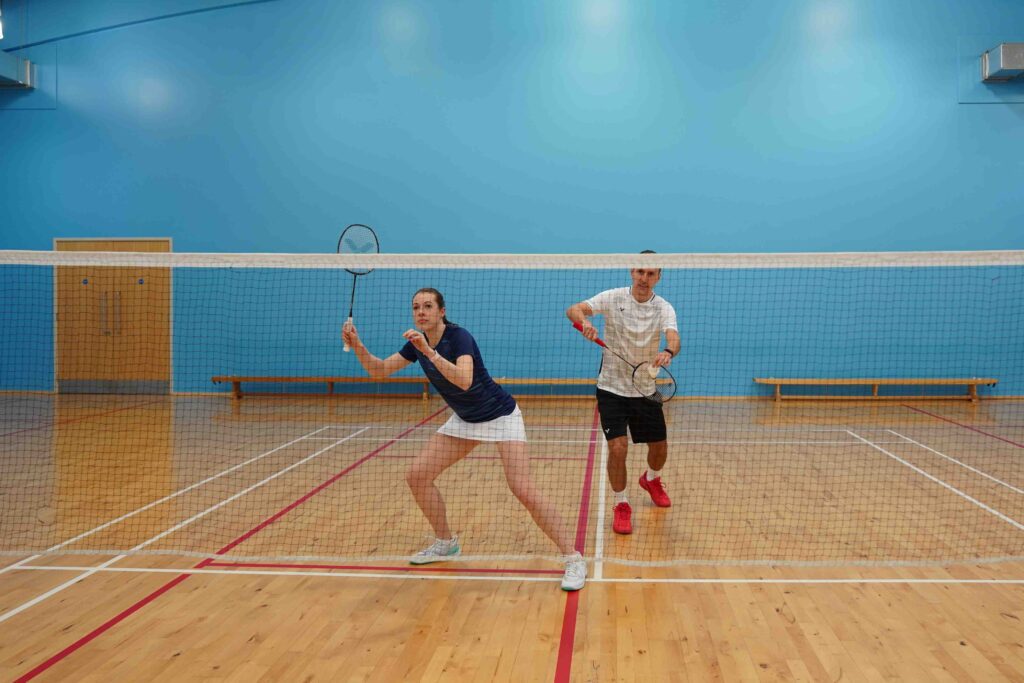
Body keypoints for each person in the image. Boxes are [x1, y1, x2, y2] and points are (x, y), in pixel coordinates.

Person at [343, 287, 586, 591]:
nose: (421, 312)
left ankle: (573, 558)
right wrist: (358, 345)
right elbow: (378, 371)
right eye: (416, 307)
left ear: (441, 311)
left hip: (500, 416)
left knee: (522, 489)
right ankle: (446, 542)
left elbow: (464, 379)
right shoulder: (416, 344)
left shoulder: (459, 337)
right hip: (466, 420)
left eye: (428, 306)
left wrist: (429, 352)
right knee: (418, 475)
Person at [566, 252, 680, 535]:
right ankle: (622, 503)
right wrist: (586, 324)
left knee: (660, 448)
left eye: (651, 273)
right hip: (611, 388)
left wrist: (667, 351)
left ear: (658, 277)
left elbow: (674, 338)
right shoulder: (613, 297)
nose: (644, 278)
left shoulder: (663, 307)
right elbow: (573, 310)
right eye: (640, 271)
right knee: (618, 448)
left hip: (645, 388)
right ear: (632, 271)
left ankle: (651, 479)